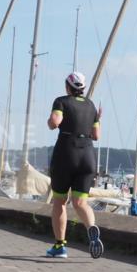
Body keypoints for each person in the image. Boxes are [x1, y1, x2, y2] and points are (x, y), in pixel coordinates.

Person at [45, 72, 104, 259]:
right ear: (83, 88)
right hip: (87, 156)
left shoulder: (61, 101)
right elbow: (96, 135)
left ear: (67, 86)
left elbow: (55, 122)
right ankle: (92, 229)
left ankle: (60, 246)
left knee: (59, 201)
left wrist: (51, 121)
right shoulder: (91, 106)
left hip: (66, 155)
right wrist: (96, 118)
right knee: (80, 202)